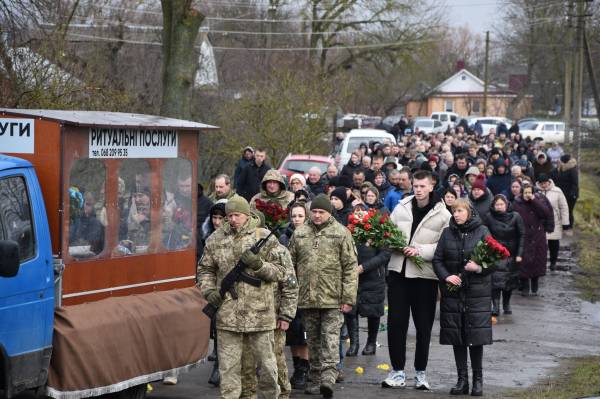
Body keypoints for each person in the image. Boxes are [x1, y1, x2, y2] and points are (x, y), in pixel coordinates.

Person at [197, 196, 286, 399]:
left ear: (247, 215)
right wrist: (209, 290)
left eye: (237, 215)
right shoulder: (216, 238)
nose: (233, 219)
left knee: (267, 369)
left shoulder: (264, 237)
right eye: (229, 216)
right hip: (228, 315)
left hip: (260, 316)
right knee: (229, 372)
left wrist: (259, 265)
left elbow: (281, 273)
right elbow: (205, 270)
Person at [383, 170, 451, 390]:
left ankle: (421, 373)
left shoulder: (443, 214)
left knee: (423, 327)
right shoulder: (401, 206)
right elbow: (387, 233)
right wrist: (392, 242)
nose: (418, 190)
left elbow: (444, 245)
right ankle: (397, 372)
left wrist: (419, 250)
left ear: (431, 186)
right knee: (396, 325)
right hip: (398, 273)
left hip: (425, 277)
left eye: (423, 186)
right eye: (416, 186)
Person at [288, 194, 359, 398]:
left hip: (333, 298)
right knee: (313, 340)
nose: (317, 215)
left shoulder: (341, 233)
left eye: (322, 212)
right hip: (307, 298)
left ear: (329, 213)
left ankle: (328, 377)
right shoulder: (300, 234)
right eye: (315, 212)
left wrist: (348, 298)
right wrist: (292, 294)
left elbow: (350, 267)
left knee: (330, 337)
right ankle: (316, 377)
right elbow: (289, 266)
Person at [433, 198, 494, 396]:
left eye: (460, 211)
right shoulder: (447, 233)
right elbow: (438, 259)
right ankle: (462, 381)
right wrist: (446, 276)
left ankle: (478, 381)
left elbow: (496, 260)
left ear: (469, 212)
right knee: (457, 336)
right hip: (453, 294)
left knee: (475, 337)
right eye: (454, 211)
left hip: (477, 294)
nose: (456, 214)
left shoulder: (483, 231)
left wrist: (479, 268)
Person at [344, 221, 391, 357]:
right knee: (351, 310)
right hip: (353, 277)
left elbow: (384, 255)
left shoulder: (377, 232)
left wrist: (363, 267)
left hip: (373, 278)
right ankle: (354, 343)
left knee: (373, 311)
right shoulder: (350, 232)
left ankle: (371, 343)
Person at [279, 202, 311, 389]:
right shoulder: (284, 237)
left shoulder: (311, 235)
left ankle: (304, 368)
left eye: (300, 216)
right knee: (292, 330)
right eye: (294, 216)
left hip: (307, 290)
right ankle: (297, 364)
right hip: (289, 288)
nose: (297, 219)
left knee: (304, 331)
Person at [485, 195, 524, 316]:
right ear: (493, 206)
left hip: (512, 255)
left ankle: (506, 304)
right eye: (497, 205)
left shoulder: (516, 216)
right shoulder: (489, 217)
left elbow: (522, 235)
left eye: (501, 204)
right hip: (496, 254)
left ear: (506, 205)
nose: (499, 207)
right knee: (495, 282)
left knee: (509, 281)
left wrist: (520, 253)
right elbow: (486, 234)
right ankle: (495, 306)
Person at [512, 185, 553, 296]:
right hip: (523, 236)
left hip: (537, 235)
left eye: (530, 192)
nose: (527, 194)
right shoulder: (517, 203)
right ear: (522, 193)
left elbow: (546, 213)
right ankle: (525, 286)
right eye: (525, 192)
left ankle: (535, 283)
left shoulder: (538, 201)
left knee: (537, 259)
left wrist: (534, 200)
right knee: (524, 261)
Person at [536, 174, 569, 271]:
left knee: (554, 243)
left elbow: (564, 206)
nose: (544, 185)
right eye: (541, 183)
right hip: (540, 221)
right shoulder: (536, 191)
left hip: (555, 221)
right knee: (541, 244)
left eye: (545, 183)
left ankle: (553, 262)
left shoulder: (557, 191)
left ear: (549, 182)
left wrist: (565, 222)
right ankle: (541, 263)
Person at [552, 154, 578, 233]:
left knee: (569, 210)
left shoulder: (572, 169)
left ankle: (569, 227)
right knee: (560, 210)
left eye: (560, 160)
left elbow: (575, 183)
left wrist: (573, 194)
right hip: (561, 193)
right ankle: (562, 225)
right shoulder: (560, 169)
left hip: (570, 195)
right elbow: (555, 177)